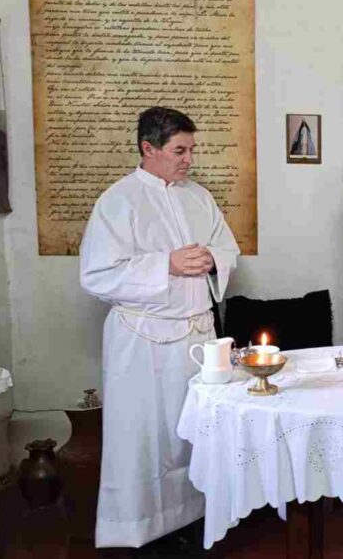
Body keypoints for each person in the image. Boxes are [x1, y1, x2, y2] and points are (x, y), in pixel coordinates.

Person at [79, 106, 239, 548]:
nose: (188, 159)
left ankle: (192, 521)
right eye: (179, 150)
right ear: (148, 148)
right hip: (142, 343)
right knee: (143, 439)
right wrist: (164, 264)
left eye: (191, 150)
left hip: (194, 338)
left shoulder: (198, 196)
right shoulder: (119, 200)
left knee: (192, 435)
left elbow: (227, 247)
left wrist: (214, 260)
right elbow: (96, 274)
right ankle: (140, 532)